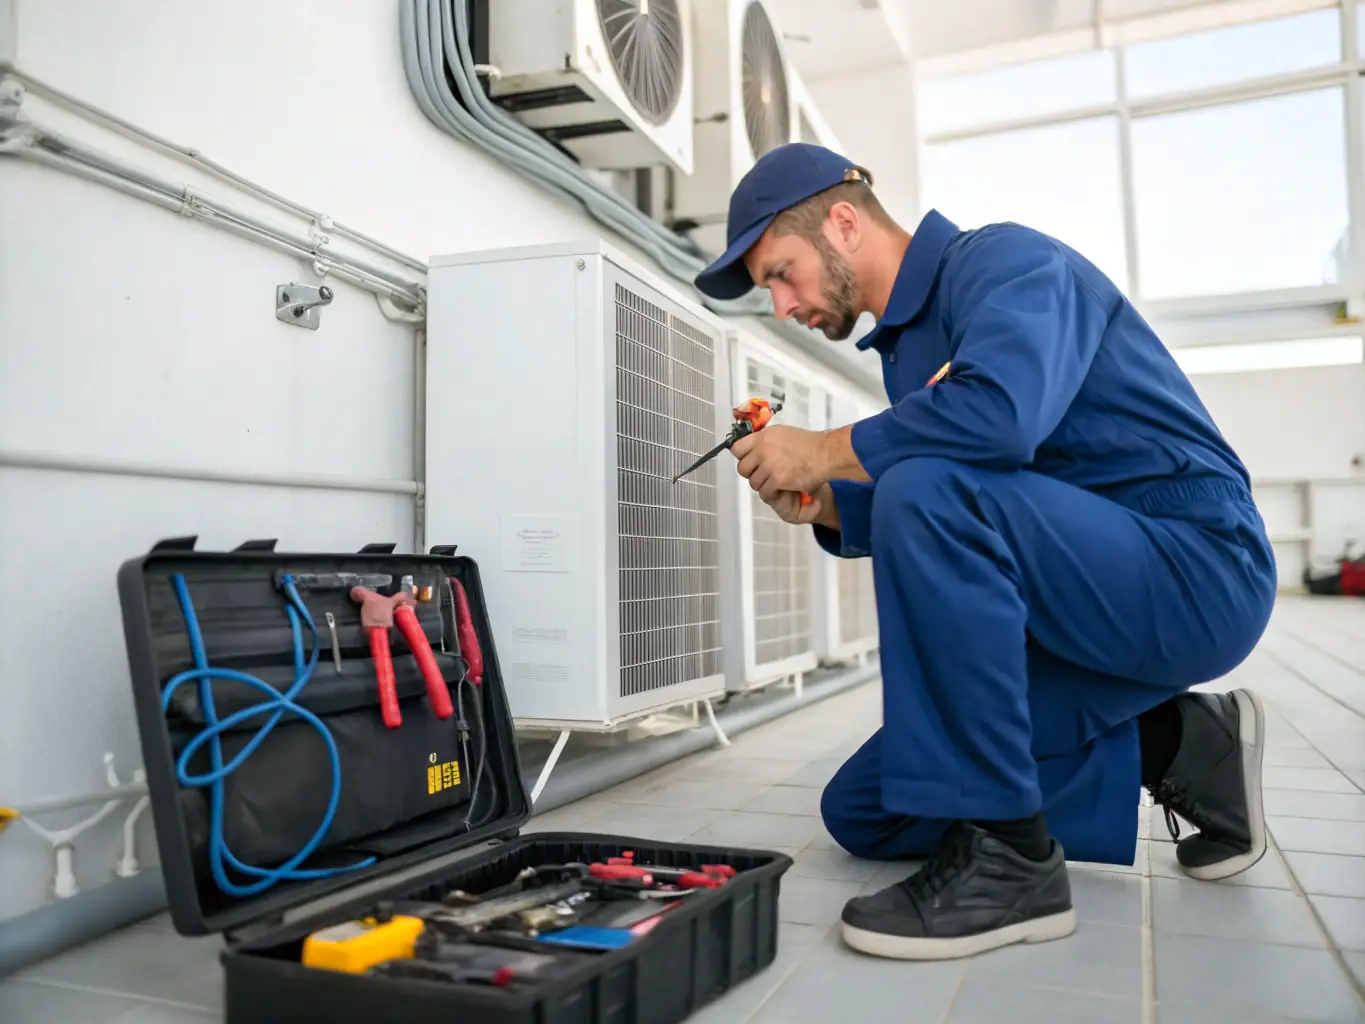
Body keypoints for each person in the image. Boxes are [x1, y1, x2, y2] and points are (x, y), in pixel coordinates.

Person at [692, 142, 1278, 962]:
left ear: (844, 222)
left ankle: (1010, 862)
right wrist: (829, 499)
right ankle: (1182, 744)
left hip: (1193, 567)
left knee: (923, 486)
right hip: (1090, 590)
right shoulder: (908, 348)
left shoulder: (1005, 262)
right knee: (867, 810)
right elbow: (996, 493)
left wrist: (825, 450)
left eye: (781, 273)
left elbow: (995, 426)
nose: (782, 305)